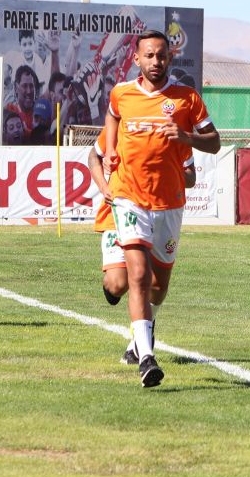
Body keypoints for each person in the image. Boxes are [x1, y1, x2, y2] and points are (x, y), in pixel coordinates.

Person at [103, 29, 220, 388]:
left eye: (162, 56)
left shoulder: (186, 99)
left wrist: (187, 138)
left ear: (169, 58)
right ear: (136, 59)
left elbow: (214, 142)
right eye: (149, 56)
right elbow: (112, 117)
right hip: (129, 198)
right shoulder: (122, 93)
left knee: (157, 287)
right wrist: (110, 150)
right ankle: (147, 357)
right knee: (136, 275)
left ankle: (137, 339)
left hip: (168, 204)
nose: (156, 61)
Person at [88, 128, 196, 365]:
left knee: (156, 285)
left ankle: (143, 336)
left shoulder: (173, 131)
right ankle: (143, 341)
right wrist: (104, 186)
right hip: (120, 210)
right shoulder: (123, 122)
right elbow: (94, 155)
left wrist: (171, 169)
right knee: (118, 284)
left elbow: (191, 176)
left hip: (160, 212)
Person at [5, 65, 39, 140]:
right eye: (24, 86)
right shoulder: (9, 110)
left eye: (31, 86)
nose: (29, 91)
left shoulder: (41, 111)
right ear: (16, 88)